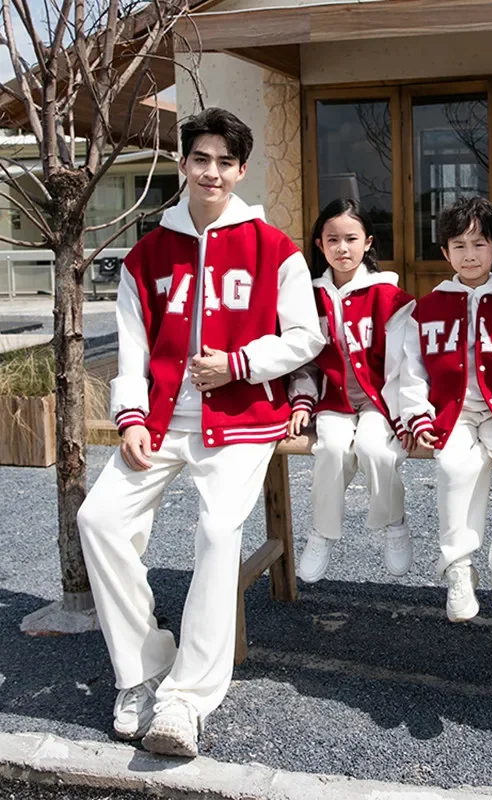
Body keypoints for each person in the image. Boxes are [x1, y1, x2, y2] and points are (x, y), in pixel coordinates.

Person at [77, 107, 325, 758]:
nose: (212, 171)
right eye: (200, 158)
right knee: (99, 520)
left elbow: (307, 336)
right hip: (161, 422)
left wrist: (240, 364)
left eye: (225, 161)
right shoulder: (147, 254)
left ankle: (185, 703)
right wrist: (130, 413)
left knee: (218, 533)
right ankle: (143, 669)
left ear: (240, 171)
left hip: (243, 423)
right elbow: (131, 345)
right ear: (183, 165)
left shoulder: (275, 249)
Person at [399, 196, 492, 623]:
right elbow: (412, 368)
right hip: (451, 413)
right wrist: (417, 414)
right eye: (458, 245)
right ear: (444, 252)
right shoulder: (428, 307)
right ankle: (459, 568)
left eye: (480, 244)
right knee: (454, 469)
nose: (469, 255)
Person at [288, 198, 416, 583]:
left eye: (351, 239)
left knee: (375, 449)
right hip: (334, 399)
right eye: (332, 240)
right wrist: (301, 401)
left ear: (368, 242)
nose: (342, 249)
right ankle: (322, 531)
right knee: (329, 449)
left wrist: (407, 413)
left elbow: (406, 360)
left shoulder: (388, 295)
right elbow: (303, 360)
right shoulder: (308, 298)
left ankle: (394, 522)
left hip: (379, 400)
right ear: (319, 244)